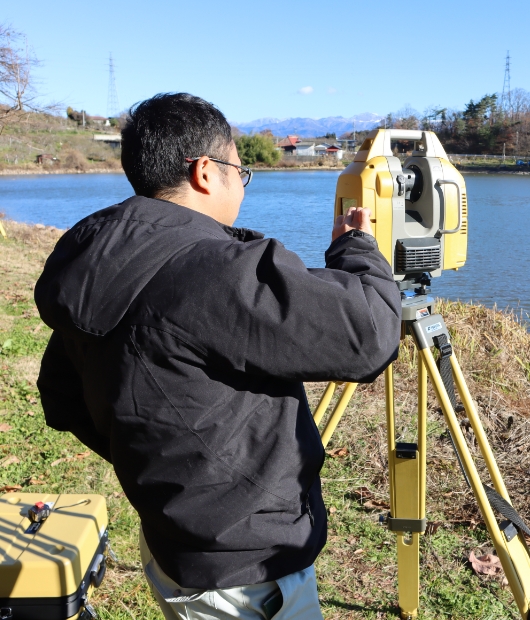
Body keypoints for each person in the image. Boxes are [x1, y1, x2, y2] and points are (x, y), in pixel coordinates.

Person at [35, 93, 401, 620]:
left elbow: (62, 396)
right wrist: (357, 249)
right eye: (240, 171)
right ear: (206, 171)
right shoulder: (214, 269)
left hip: (175, 543)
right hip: (247, 574)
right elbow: (369, 333)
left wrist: (167, 467)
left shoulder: (95, 255)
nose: (242, 186)